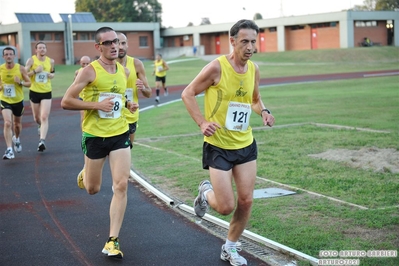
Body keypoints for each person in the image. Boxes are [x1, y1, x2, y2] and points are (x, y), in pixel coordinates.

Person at [181, 19, 275, 266]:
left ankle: (230, 247)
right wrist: (202, 122)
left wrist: (263, 111)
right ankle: (205, 191)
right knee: (224, 206)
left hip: (245, 143)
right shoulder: (216, 68)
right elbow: (187, 93)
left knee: (246, 201)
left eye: (254, 41)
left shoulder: (253, 69)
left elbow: (254, 99)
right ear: (232, 41)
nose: (250, 47)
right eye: (244, 41)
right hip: (218, 145)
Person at [61, 26, 138, 259]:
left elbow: (117, 99)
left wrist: (127, 105)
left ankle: (112, 240)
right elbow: (66, 101)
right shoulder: (89, 72)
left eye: (117, 42)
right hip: (94, 136)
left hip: (119, 133)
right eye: (109, 43)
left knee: (121, 185)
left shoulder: (123, 72)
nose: (115, 46)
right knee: (93, 189)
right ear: (98, 47)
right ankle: (86, 173)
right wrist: (96, 106)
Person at [116, 32, 151, 146]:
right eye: (117, 43)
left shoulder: (136, 64)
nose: (120, 46)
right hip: (113, 115)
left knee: (127, 149)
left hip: (131, 115)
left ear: (127, 45)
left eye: (123, 43)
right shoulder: (108, 64)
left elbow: (148, 93)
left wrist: (142, 88)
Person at [0, 47, 31, 159]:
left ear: (14, 56)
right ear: (3, 57)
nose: (8, 56)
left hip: (18, 100)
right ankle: (9, 150)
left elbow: (29, 83)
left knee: (17, 125)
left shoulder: (21, 68)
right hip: (5, 99)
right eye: (6, 54)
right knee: (8, 123)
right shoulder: (0, 69)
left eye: (10, 54)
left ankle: (16, 139)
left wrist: (21, 82)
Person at [25, 41, 55, 152]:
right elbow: (23, 74)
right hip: (34, 91)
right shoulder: (31, 60)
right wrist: (34, 71)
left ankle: (42, 141)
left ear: (46, 50)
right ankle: (40, 126)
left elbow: (53, 73)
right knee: (37, 118)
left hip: (46, 91)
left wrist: (51, 75)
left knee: (44, 116)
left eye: (44, 48)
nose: (42, 49)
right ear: (36, 50)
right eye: (40, 48)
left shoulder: (51, 61)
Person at [74, 55, 92, 127]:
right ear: (80, 63)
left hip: (91, 98)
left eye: (87, 63)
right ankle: (83, 135)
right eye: (83, 63)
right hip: (82, 98)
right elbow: (74, 85)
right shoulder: (78, 72)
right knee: (83, 117)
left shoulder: (93, 71)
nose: (85, 65)